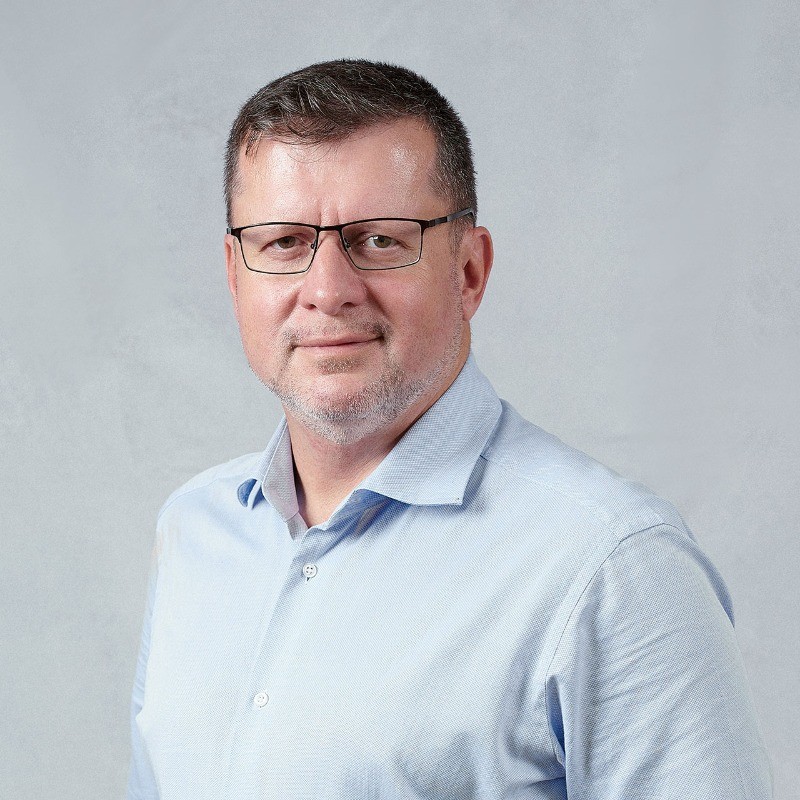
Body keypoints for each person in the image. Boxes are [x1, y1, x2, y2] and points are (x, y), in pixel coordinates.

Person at [127, 59, 771, 800]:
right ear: (235, 274)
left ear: (469, 271)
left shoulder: (611, 567)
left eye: (379, 240)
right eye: (284, 243)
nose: (327, 290)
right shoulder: (194, 531)